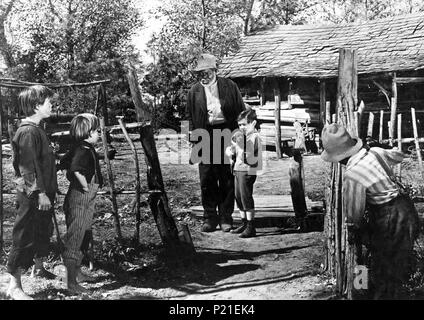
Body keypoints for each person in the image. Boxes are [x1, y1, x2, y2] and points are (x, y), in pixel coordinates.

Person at [321, 123, 420, 299]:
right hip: (407, 212)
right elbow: (398, 155)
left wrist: (353, 229)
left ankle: (373, 293)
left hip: (389, 219)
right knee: (396, 266)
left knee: (381, 269)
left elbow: (354, 211)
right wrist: (380, 146)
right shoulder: (375, 152)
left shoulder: (354, 173)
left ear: (339, 157)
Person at [7, 85, 57, 300]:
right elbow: (28, 167)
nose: (52, 105)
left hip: (43, 192)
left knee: (41, 230)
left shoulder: (37, 129)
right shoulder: (27, 131)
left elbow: (42, 163)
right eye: (48, 102)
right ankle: (14, 285)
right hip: (32, 194)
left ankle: (38, 268)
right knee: (24, 234)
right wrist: (40, 193)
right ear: (37, 106)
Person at [186, 53, 245, 232]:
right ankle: (210, 218)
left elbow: (240, 111)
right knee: (207, 177)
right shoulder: (194, 91)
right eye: (200, 72)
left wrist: (238, 135)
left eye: (207, 71)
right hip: (204, 135)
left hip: (226, 132)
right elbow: (190, 117)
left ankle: (225, 218)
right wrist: (192, 139)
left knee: (226, 176)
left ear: (214, 70)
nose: (204, 75)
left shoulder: (229, 86)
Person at [61, 113, 103, 294]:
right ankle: (71, 283)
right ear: (87, 132)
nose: (99, 134)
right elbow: (76, 170)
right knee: (75, 237)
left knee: (83, 234)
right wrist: (85, 186)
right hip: (80, 198)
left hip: (87, 199)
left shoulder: (86, 148)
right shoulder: (82, 151)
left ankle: (77, 273)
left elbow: (64, 162)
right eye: (97, 131)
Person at [225, 108, 262, 238]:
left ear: (253, 123)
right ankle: (244, 223)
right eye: (239, 125)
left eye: (244, 124)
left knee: (246, 198)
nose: (242, 127)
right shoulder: (243, 136)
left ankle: (251, 227)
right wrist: (231, 150)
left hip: (247, 170)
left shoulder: (255, 137)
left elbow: (250, 155)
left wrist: (239, 144)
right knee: (238, 197)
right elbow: (236, 151)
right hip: (237, 169)